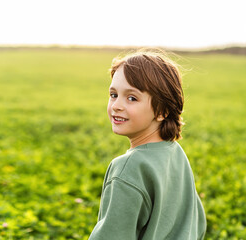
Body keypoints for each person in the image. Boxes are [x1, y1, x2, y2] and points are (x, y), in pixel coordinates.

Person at [89, 49, 207, 240]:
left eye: (132, 98)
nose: (117, 105)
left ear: (163, 110)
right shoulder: (175, 153)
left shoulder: (128, 168)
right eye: (113, 94)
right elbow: (197, 223)